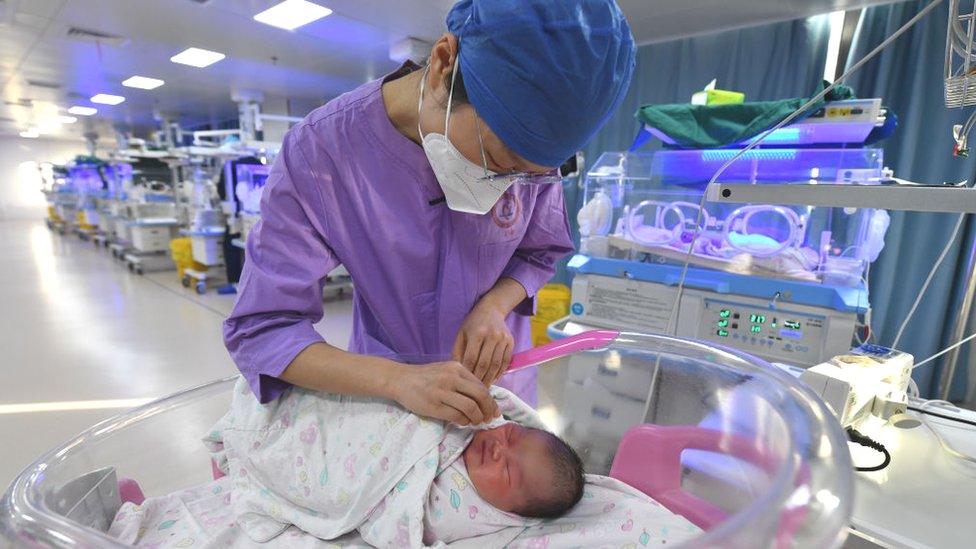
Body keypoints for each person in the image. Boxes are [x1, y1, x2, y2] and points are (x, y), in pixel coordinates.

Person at [223, 0, 636, 424]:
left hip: (498, 378)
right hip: (389, 394)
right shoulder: (321, 153)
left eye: (529, 175)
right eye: (498, 159)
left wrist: (494, 306)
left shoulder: (530, 161)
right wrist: (396, 381)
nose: (508, 185)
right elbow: (264, 329)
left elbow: (539, 252)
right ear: (442, 63)